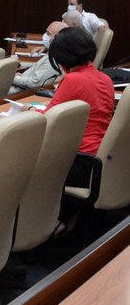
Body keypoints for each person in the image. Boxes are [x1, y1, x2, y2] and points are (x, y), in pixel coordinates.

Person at [44, 27, 114, 186]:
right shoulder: (105, 78)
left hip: (79, 161)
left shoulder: (73, 79)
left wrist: (29, 110)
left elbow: (47, 121)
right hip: (100, 160)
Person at [9, 19, 66, 93]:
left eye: (48, 33)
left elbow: (34, 84)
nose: (45, 35)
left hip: (21, 91)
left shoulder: (55, 58)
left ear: (57, 38)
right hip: (21, 82)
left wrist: (13, 78)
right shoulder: (53, 51)